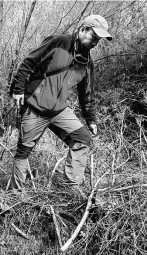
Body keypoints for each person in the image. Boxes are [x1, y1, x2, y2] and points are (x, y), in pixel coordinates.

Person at [9, 15, 112, 194]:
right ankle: (14, 195)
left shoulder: (87, 63)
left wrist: (91, 119)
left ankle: (70, 187)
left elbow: (86, 93)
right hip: (35, 107)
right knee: (23, 151)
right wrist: (18, 89)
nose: (96, 41)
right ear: (82, 30)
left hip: (58, 111)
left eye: (99, 39)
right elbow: (28, 62)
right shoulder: (59, 42)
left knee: (83, 139)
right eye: (94, 36)